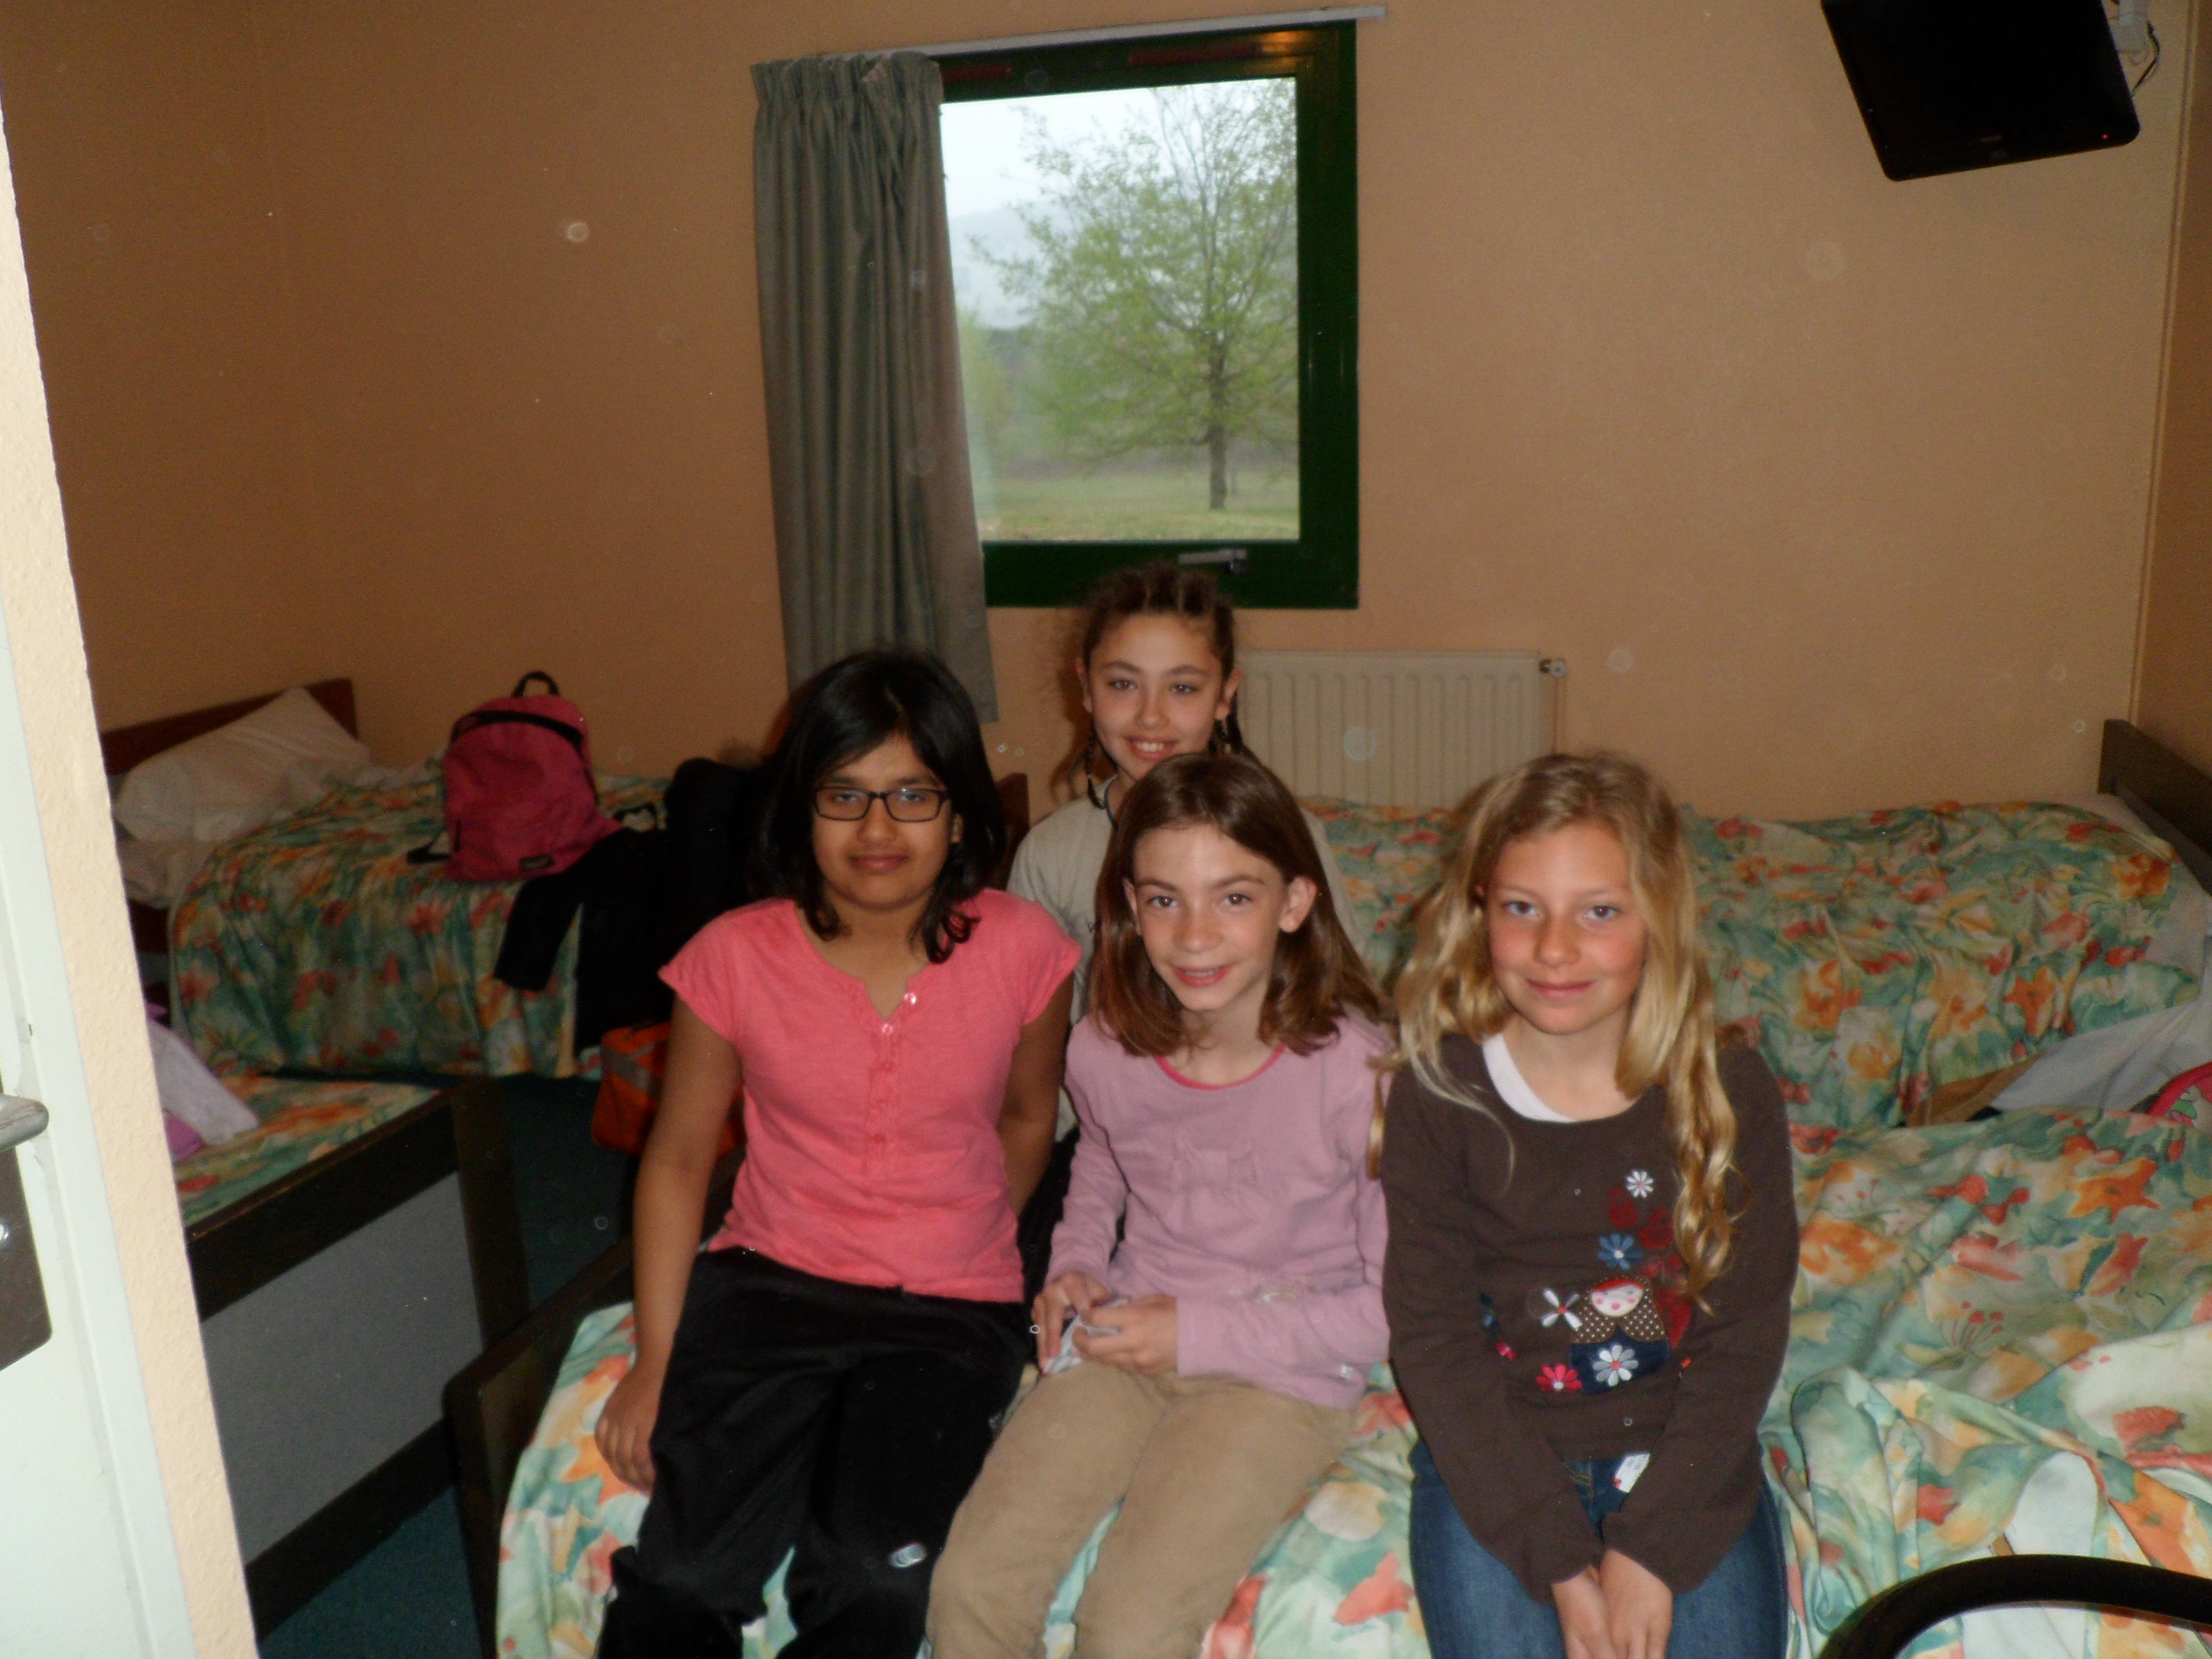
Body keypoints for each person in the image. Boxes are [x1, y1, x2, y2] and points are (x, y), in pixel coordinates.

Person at [592, 650, 1078, 1659]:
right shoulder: (732, 957)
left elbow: (1031, 1117)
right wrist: (656, 1361)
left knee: (879, 1576)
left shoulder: (1027, 948)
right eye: (844, 795)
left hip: (949, 1313)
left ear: (959, 814)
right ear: (800, 810)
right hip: (770, 1286)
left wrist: (972, 1228)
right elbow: (677, 1163)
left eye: (913, 795)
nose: (877, 829)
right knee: (681, 1579)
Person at [930, 752, 1392, 1659]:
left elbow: (1385, 1314)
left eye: (1234, 897)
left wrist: (1193, 1333)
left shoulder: (1358, 1076)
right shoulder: (1105, 1046)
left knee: (1129, 1630)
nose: (1194, 935)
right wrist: (1075, 1263)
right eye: (1164, 900)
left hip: (1282, 1368)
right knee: (971, 1586)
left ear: (1295, 903)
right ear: (1129, 908)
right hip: (1128, 1336)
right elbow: (1105, 1158)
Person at [1381, 752, 1795, 1659]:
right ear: (1480, 909)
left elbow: (1746, 1335)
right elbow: (1435, 1340)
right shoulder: (1438, 1095)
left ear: (1658, 917)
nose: (1555, 949)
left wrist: (1651, 1551)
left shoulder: (1730, 1089)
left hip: (1685, 1469)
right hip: (1497, 1469)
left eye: (1599, 912)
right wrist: (1561, 1563)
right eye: (1521, 908)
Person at [1010, 563, 1357, 1130]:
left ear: (1225, 695)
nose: (1151, 716)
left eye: (1183, 688)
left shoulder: (1289, 837)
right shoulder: (1049, 856)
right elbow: (1033, 1054)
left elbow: (1339, 1002)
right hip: (1110, 1133)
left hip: (1270, 1125)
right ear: (1086, 688)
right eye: (1123, 684)